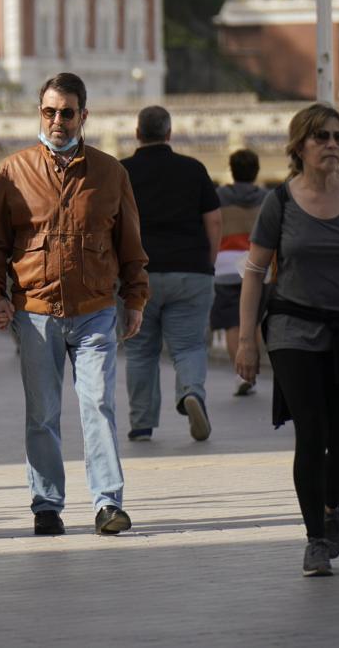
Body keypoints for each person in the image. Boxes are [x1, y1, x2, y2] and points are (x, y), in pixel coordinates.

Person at [0, 72, 149, 537]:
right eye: (49, 111)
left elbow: (130, 244)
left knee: (97, 404)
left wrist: (134, 299)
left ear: (83, 116)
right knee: (43, 413)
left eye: (67, 112)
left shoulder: (111, 172)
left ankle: (107, 504)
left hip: (95, 308)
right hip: (35, 312)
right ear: (40, 113)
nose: (57, 120)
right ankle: (47, 504)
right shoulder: (13, 172)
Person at [236, 102, 339, 576]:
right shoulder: (280, 202)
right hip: (292, 329)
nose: (332, 145)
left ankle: (332, 507)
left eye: (338, 137)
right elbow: (255, 271)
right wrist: (245, 340)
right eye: (322, 137)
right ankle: (316, 539)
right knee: (312, 431)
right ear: (300, 145)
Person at [120, 106, 221, 443]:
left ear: (137, 134)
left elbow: (108, 226)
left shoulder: (122, 172)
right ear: (169, 133)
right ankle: (191, 392)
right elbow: (214, 221)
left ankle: (142, 423)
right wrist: (207, 262)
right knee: (189, 346)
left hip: (138, 275)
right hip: (190, 270)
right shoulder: (193, 169)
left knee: (140, 351)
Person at [213, 148, 267, 397]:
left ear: (232, 170)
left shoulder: (219, 196)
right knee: (254, 320)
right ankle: (252, 372)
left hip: (225, 265)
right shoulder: (267, 198)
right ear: (256, 171)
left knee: (231, 323)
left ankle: (241, 373)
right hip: (257, 266)